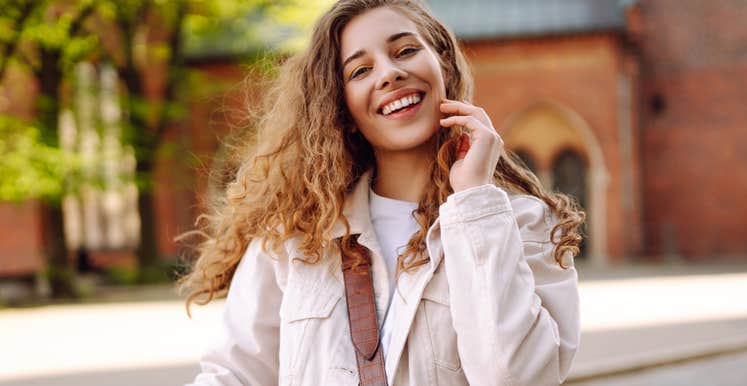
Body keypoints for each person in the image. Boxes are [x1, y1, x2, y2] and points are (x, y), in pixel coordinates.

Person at [179, 0, 584, 385]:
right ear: (344, 110)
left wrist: (474, 201)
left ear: (442, 63)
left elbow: (515, 378)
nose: (389, 74)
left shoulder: (521, 223)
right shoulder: (293, 237)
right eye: (360, 71)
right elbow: (235, 373)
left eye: (405, 50)